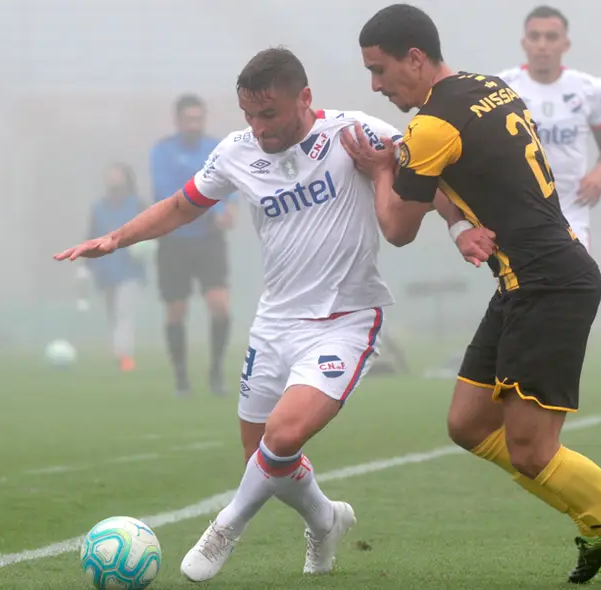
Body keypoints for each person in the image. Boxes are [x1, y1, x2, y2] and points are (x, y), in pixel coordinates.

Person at [55, 47, 484, 583]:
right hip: (274, 324)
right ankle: (325, 519)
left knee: (281, 438)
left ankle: (225, 526)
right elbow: (182, 205)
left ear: (304, 98)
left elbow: (428, 176)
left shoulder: (355, 133)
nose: (258, 128)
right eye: (249, 115)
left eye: (269, 114)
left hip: (346, 319)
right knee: (260, 457)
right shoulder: (236, 152)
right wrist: (117, 238)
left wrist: (459, 227)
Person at [343, 5, 601, 587]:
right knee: (468, 423)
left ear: (415, 58)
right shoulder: (488, 87)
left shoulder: (430, 126)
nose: (376, 85)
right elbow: (452, 173)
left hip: (550, 284)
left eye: (379, 70)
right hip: (527, 280)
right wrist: (451, 217)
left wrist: (381, 173)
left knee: (531, 450)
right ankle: (593, 522)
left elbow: (397, 228)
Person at [496, 5, 601, 254]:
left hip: (571, 211)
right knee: (525, 280)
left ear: (566, 44)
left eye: (551, 37)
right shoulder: (500, 89)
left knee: (574, 276)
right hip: (519, 214)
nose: (542, 45)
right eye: (535, 37)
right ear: (524, 43)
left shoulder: (590, 90)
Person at [150, 94, 237, 395]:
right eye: (188, 119)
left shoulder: (216, 148)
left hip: (209, 240)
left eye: (198, 119)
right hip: (174, 239)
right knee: (176, 309)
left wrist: (230, 209)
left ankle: (216, 372)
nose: (194, 125)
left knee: (220, 304)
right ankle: (181, 377)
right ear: (177, 121)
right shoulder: (162, 151)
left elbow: (229, 185)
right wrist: (214, 210)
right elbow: (167, 191)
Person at [83, 163, 147, 371]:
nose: (113, 179)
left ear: (126, 179)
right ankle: (119, 352)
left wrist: (143, 247)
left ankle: (124, 356)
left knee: (124, 311)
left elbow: (151, 230)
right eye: (110, 175)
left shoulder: (137, 205)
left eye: (117, 175)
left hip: (130, 270)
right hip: (106, 269)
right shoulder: (98, 208)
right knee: (113, 313)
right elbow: (91, 236)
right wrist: (85, 267)